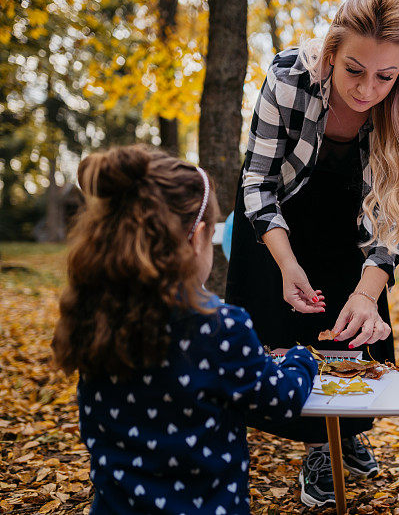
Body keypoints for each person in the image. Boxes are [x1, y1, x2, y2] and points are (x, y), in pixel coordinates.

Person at [225, 0, 399, 507]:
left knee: (351, 334)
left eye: (385, 76)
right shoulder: (291, 75)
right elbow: (258, 181)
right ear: (330, 53)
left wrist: (368, 292)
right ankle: (320, 439)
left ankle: (339, 439)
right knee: (279, 334)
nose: (367, 90)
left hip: (352, 221)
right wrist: (287, 263)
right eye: (353, 70)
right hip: (277, 219)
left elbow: (395, 215)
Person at [51, 145, 318, 514]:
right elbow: (280, 401)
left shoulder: (92, 316)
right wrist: (300, 360)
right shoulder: (222, 327)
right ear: (198, 238)